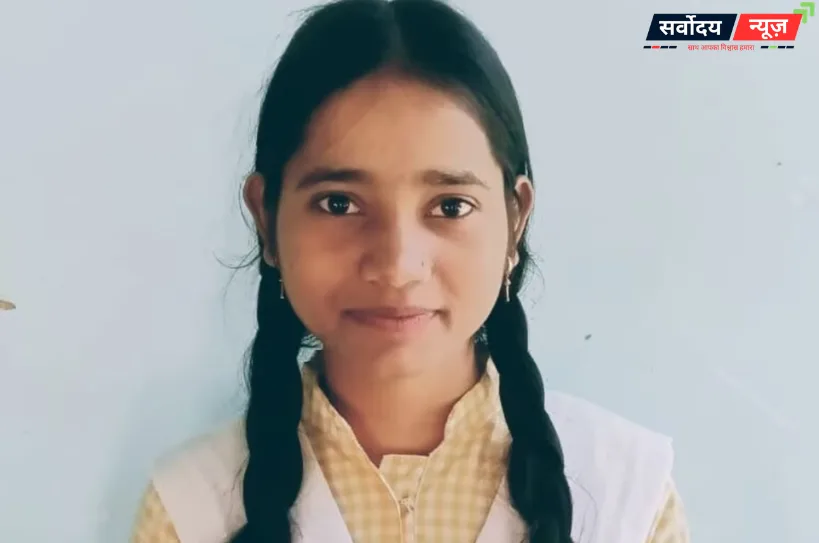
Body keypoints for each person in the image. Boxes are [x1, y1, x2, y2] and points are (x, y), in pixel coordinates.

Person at [130, 0, 690, 541]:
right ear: (266, 218)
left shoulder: (626, 500)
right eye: (339, 204)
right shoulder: (191, 511)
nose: (397, 266)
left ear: (515, 221)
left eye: (450, 206)